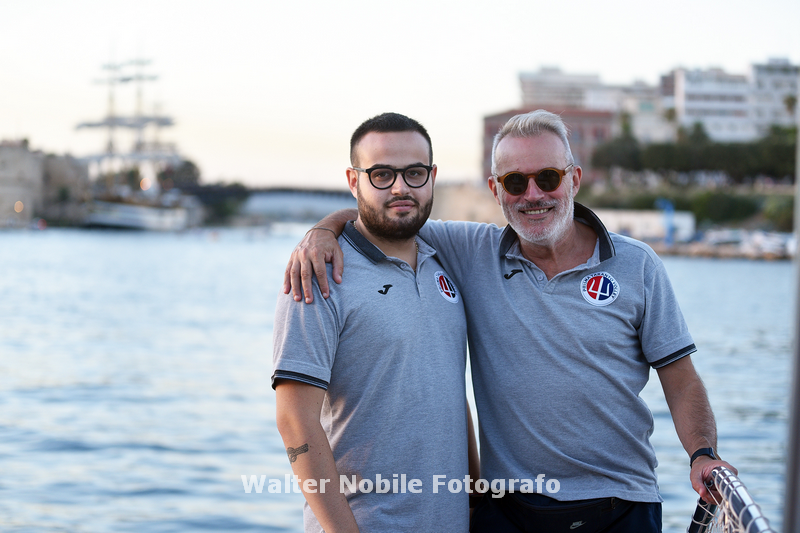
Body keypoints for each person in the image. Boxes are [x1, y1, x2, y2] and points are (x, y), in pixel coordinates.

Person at [283, 110, 736, 532]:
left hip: (622, 507)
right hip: (509, 513)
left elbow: (681, 379)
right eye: (515, 182)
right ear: (496, 189)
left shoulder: (637, 264)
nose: (533, 194)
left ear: (574, 179)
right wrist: (321, 231)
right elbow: (384, 215)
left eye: (548, 177)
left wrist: (702, 453)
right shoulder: (468, 252)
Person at [273, 112, 478, 533]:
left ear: (432, 177)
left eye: (414, 173)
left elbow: (452, 395)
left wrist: (479, 506)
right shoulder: (319, 273)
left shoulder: (446, 261)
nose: (401, 187)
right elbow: (295, 420)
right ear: (354, 181)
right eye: (382, 174)